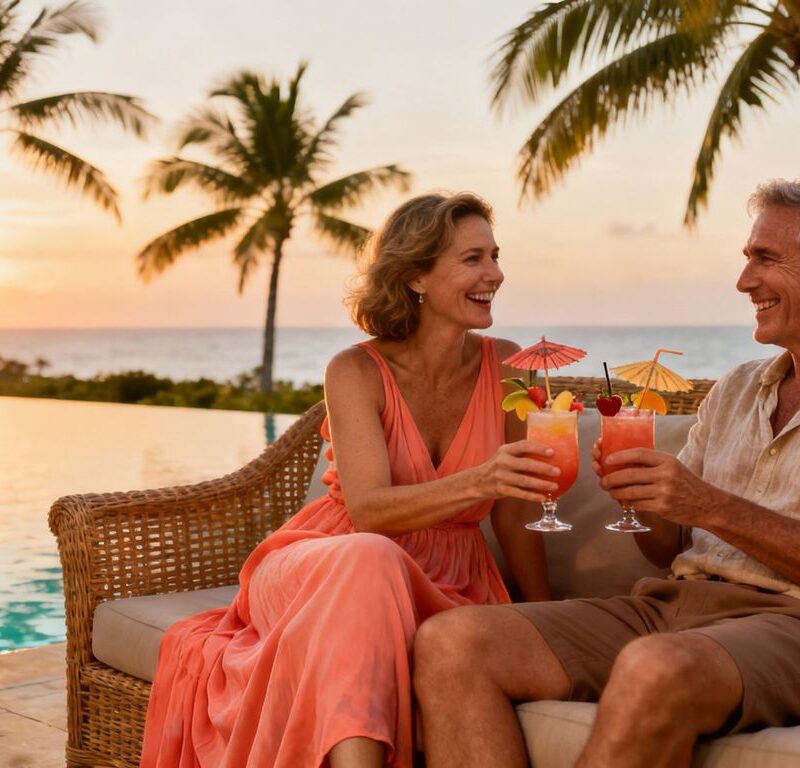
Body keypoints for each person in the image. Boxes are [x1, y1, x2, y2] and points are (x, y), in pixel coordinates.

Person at [139, 192, 554, 768]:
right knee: (369, 555)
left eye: (495, 255)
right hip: (327, 560)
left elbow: (516, 513)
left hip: (449, 581)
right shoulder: (355, 369)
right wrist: (482, 480)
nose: (495, 274)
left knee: (373, 571)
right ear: (416, 276)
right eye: (473, 259)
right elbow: (369, 513)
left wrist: (546, 612)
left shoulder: (509, 365)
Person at [413, 178, 800, 768]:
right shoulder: (739, 388)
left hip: (787, 624)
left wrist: (708, 505)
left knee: (655, 666)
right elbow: (664, 547)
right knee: (452, 642)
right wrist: (643, 496)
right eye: (747, 258)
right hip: (675, 602)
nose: (744, 281)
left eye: (765, 259)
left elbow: (705, 509)